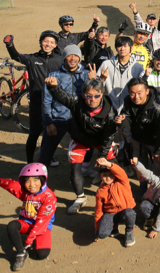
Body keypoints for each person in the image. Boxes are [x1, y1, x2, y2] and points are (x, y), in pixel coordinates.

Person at [45, 77, 124, 214]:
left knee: (111, 164)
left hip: (101, 140)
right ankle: (80, 197)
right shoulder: (78, 104)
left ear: (102, 95)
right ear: (83, 95)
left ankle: (115, 192)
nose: (93, 99)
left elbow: (109, 137)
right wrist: (53, 87)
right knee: (75, 169)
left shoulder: (110, 113)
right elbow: (63, 97)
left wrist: (102, 157)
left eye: (97, 96)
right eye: (89, 96)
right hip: (80, 139)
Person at [3, 30, 63, 164]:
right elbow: (16, 56)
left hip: (54, 103)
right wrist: (10, 45)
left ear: (55, 45)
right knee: (34, 133)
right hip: (37, 102)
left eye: (51, 42)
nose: (48, 44)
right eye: (45, 41)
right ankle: (29, 162)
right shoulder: (32, 59)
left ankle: (49, 157)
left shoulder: (59, 60)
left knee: (51, 134)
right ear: (41, 42)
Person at [0, 163, 56, 271]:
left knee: (41, 254)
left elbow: (42, 222)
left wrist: (28, 241)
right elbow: (12, 185)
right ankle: (21, 252)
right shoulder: (26, 192)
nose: (31, 185)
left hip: (43, 228)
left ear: (43, 180)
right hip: (26, 224)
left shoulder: (49, 197)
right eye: (27, 181)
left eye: (36, 180)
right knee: (12, 226)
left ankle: (25, 243)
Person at [40, 45, 88, 167]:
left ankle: (82, 172)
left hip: (78, 120)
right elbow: (46, 101)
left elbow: (95, 96)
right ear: (64, 58)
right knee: (46, 153)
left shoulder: (87, 75)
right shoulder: (54, 76)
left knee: (83, 150)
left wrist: (98, 79)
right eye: (69, 55)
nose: (73, 58)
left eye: (76, 56)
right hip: (58, 119)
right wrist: (48, 123)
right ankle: (39, 180)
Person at [122, 77, 160, 178]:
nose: (136, 97)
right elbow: (127, 115)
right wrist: (122, 118)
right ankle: (143, 187)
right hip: (137, 139)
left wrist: (159, 150)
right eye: (132, 93)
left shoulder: (158, 108)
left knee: (159, 166)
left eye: (139, 93)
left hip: (155, 141)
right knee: (139, 166)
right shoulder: (127, 100)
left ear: (147, 91)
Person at [93, 157, 137, 247]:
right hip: (110, 214)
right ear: (100, 176)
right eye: (104, 175)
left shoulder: (122, 182)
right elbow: (98, 211)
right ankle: (114, 226)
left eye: (110, 174)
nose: (108, 178)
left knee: (130, 213)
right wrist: (97, 229)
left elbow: (120, 172)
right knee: (101, 233)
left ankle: (129, 231)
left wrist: (108, 164)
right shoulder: (100, 191)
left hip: (124, 212)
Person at [97, 36, 145, 113]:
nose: (122, 49)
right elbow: (96, 88)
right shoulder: (106, 64)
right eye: (119, 46)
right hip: (109, 109)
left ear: (131, 48)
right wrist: (101, 79)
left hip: (129, 110)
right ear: (116, 48)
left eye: (125, 46)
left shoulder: (137, 67)